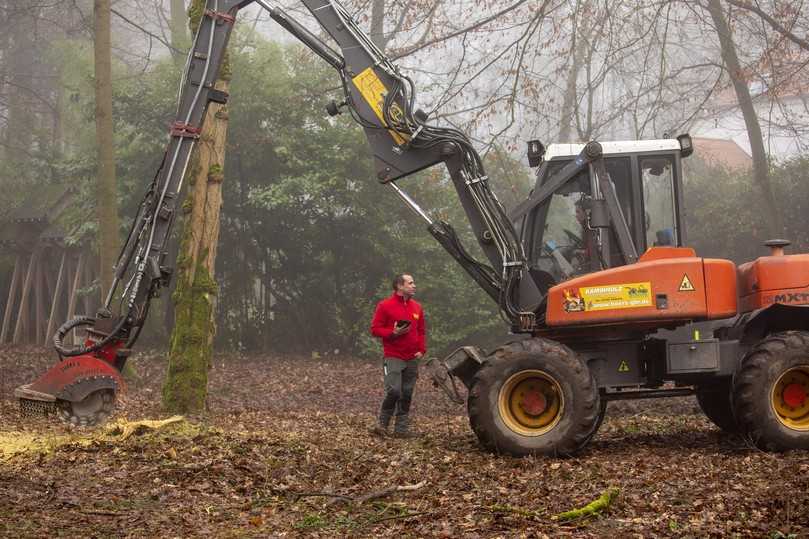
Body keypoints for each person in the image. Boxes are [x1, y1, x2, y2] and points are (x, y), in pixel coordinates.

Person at [369, 273, 426, 438]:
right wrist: (392, 332)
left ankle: (401, 430)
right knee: (394, 391)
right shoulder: (385, 305)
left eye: (413, 282)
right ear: (400, 286)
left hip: (412, 357)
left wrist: (421, 350)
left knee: (407, 393)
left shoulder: (417, 307)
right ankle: (382, 425)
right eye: (410, 283)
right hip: (393, 355)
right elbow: (375, 329)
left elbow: (421, 331)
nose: (414, 285)